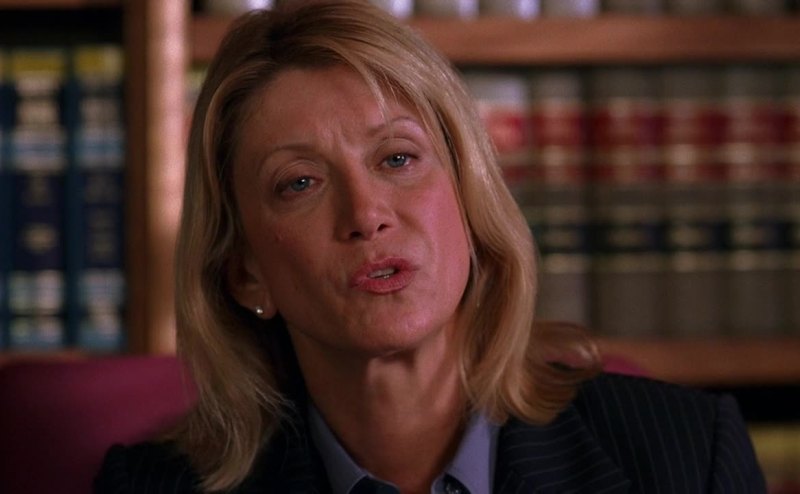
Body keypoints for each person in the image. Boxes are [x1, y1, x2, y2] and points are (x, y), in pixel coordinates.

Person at [95, 1, 766, 492]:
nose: (366, 215)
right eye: (299, 183)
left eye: (397, 159)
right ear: (245, 272)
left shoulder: (685, 456)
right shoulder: (150, 488)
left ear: (471, 200)